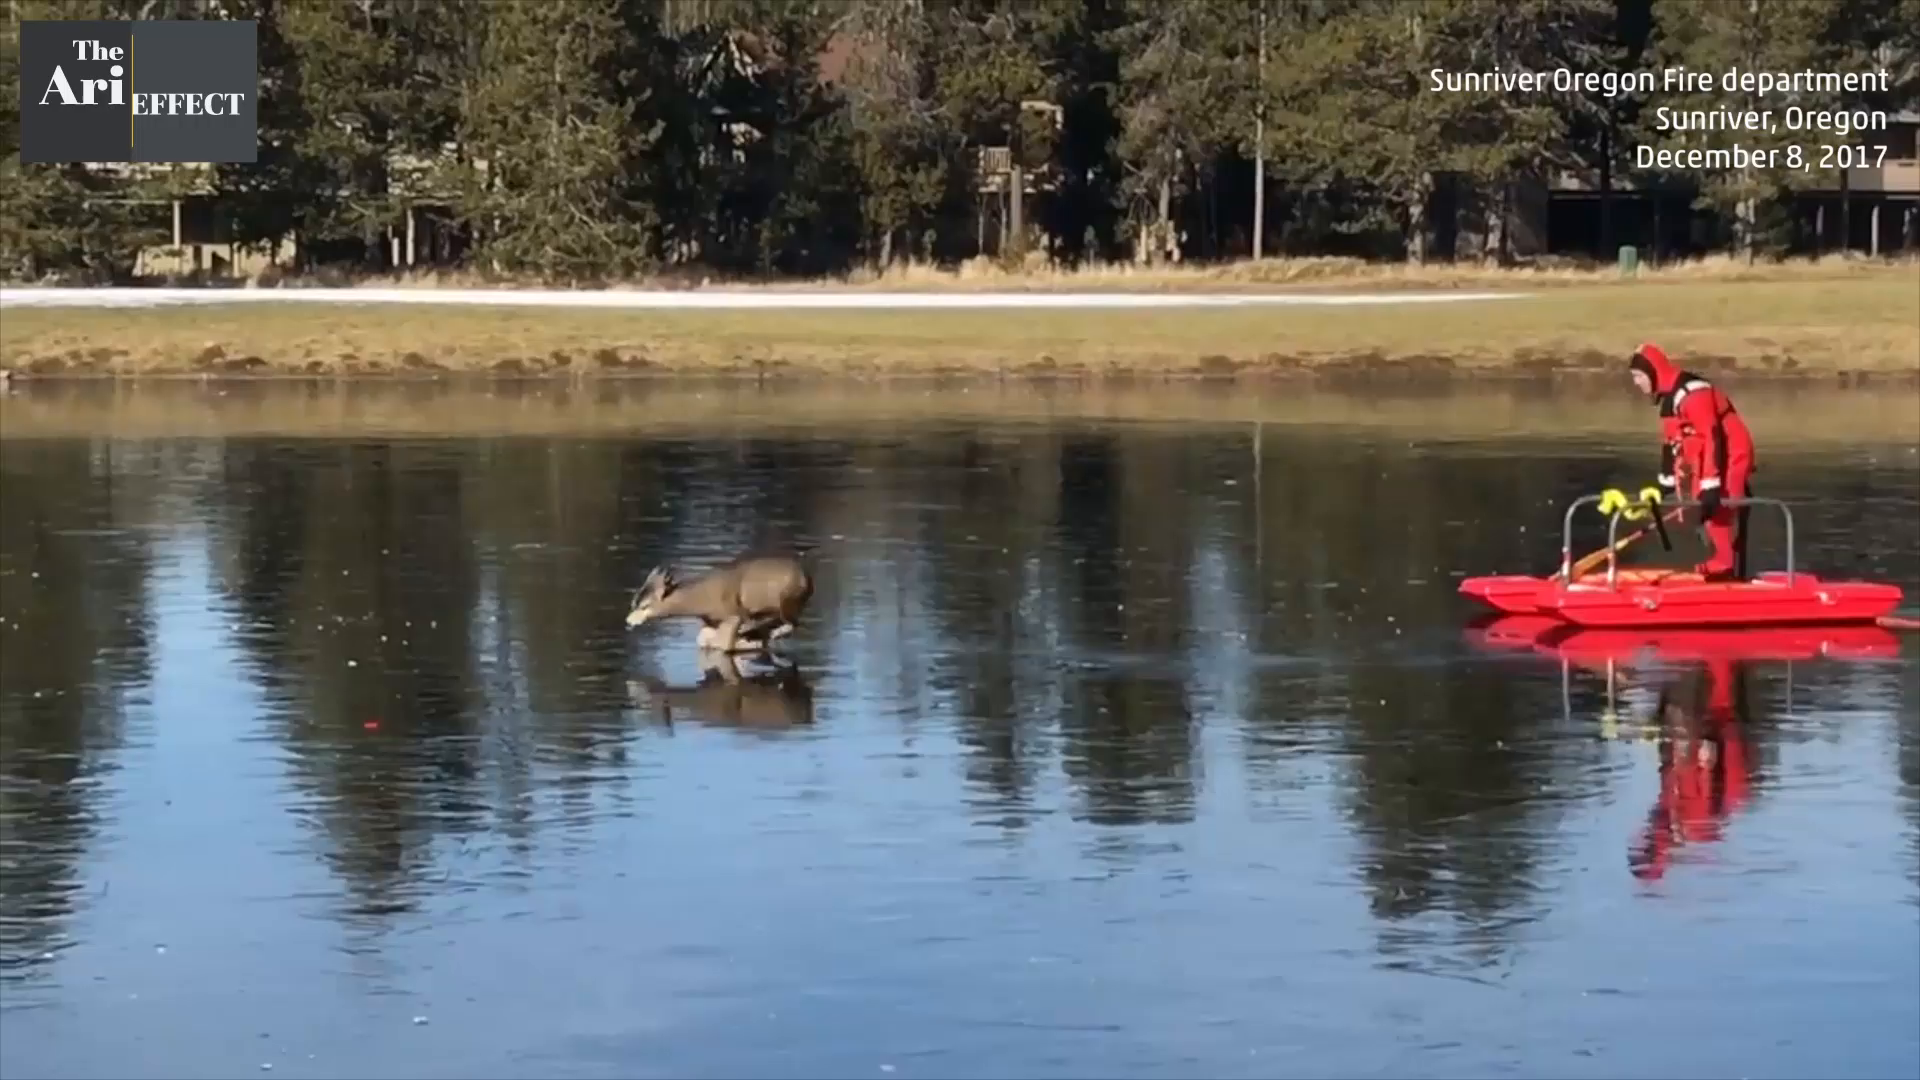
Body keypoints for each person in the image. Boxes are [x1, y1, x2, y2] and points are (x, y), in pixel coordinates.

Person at [1627, 343, 1757, 581]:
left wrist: (1711, 484)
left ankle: (1725, 566)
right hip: (1709, 455)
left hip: (1731, 451)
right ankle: (1723, 564)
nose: (1636, 383)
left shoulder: (1693, 394)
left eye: (1638, 376)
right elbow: (1671, 444)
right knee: (1701, 506)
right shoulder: (1668, 401)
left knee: (1718, 506)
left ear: (1652, 372)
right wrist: (1663, 485)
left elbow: (1712, 436)